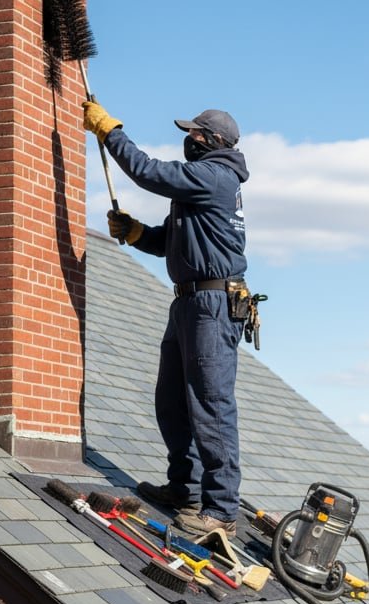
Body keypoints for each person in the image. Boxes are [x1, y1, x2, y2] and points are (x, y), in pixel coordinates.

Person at [83, 100, 250, 536]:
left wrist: (110, 132)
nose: (187, 139)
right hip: (190, 304)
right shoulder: (204, 183)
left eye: (194, 134)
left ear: (213, 142)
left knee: (211, 405)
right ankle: (186, 488)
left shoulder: (214, 176)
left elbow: (148, 172)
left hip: (212, 308)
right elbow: (174, 243)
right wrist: (139, 234)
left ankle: (221, 511)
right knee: (172, 399)